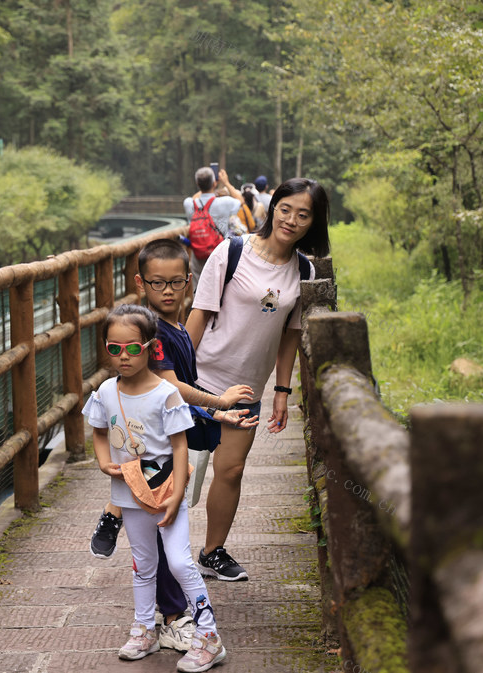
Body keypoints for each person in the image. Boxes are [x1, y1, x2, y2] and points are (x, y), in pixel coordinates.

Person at [87, 240, 256, 652]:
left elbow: (171, 399)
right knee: (157, 556)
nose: (167, 290)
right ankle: (170, 617)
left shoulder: (175, 328)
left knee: (165, 552)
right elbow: (171, 386)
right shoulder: (152, 335)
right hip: (143, 466)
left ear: (189, 282)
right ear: (141, 283)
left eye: (176, 282)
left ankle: (180, 622)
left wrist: (215, 416)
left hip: (165, 464)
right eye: (157, 283)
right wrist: (218, 402)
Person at [186, 178, 331, 582]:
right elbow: (198, 314)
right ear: (274, 207)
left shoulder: (303, 269)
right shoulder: (232, 251)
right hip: (201, 377)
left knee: (230, 470)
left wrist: (282, 391)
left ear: (314, 222)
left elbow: (290, 334)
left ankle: (212, 551)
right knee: (176, 471)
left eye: (303, 215)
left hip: (247, 388)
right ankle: (161, 551)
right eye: (286, 209)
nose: (292, 220)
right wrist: (175, 379)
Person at [83, 304, 228, 672]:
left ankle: (209, 637)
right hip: (129, 493)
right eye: (114, 349)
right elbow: (99, 433)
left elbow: (181, 446)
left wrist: (178, 494)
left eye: (132, 347)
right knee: (143, 563)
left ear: (150, 346)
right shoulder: (104, 391)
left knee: (179, 561)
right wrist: (104, 462)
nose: (124, 356)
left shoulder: (166, 394)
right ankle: (145, 628)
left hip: (165, 491)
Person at [183, 167, 244, 280]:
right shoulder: (226, 202)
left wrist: (204, 184)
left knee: (199, 288)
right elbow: (240, 200)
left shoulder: (188, 203)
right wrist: (226, 182)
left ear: (197, 184)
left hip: (198, 254)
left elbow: (196, 197)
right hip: (220, 253)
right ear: (214, 183)